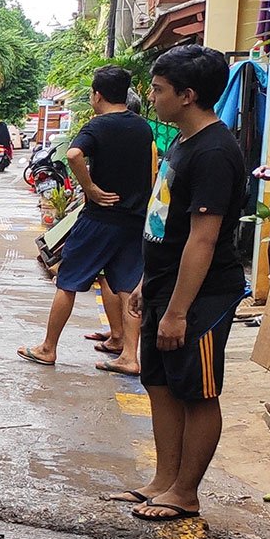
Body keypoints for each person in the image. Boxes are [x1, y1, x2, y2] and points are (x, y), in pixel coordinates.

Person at [115, 45, 247, 521]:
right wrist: (149, 280)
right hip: (164, 285)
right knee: (160, 384)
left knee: (197, 391)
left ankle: (186, 493)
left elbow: (203, 240)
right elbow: (165, 222)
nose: (151, 97)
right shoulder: (182, 141)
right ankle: (163, 480)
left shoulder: (214, 152)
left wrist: (177, 310)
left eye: (158, 89)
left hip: (201, 296)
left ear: (187, 95)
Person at [18, 67, 154, 368]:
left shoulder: (98, 126)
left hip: (100, 218)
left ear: (98, 95)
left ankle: (48, 348)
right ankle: (130, 356)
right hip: (134, 220)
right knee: (128, 287)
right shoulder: (143, 127)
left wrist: (90, 188)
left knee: (67, 281)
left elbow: (73, 155)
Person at [89, 87, 157, 376]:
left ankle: (126, 349)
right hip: (137, 217)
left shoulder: (127, 137)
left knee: (124, 284)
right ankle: (119, 340)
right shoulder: (146, 135)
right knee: (121, 282)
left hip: (122, 219)